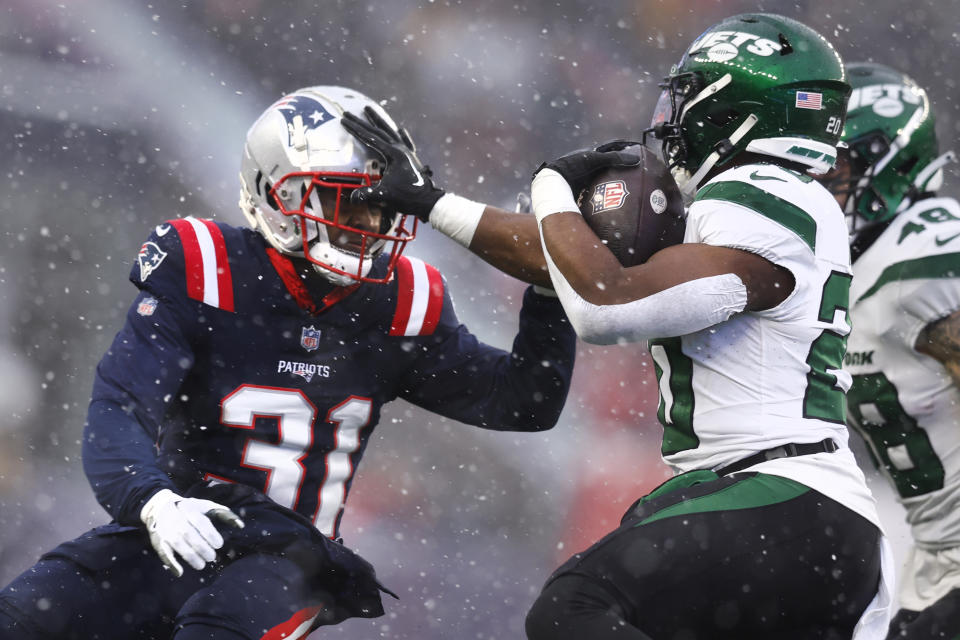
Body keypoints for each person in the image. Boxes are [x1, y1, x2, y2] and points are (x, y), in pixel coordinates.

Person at [0, 85, 576, 639]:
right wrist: (152, 500)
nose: (367, 225)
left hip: (288, 559)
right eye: (347, 199)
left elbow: (523, 403)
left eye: (378, 207)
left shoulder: (399, 299)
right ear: (277, 192)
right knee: (22, 618)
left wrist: (548, 296)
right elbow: (121, 405)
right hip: (181, 528)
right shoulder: (205, 267)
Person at [518, 14, 896, 639]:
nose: (674, 117)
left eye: (690, 97)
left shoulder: (754, 192)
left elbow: (603, 307)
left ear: (733, 109)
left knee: (575, 606)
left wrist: (552, 184)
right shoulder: (783, 202)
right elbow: (556, 257)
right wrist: (430, 203)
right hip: (816, 520)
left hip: (781, 496)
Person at [824, 61, 960, 639]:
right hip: (933, 564)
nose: (818, 189)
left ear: (890, 164)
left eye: (835, 171)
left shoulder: (918, 258)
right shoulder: (853, 271)